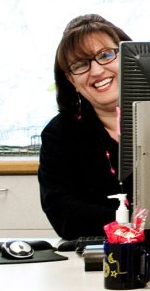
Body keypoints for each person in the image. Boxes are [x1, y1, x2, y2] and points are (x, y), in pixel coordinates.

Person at [38, 13, 133, 240]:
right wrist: (135, 226)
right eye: (81, 64)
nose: (97, 70)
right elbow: (65, 216)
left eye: (106, 55)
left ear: (130, 58)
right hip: (99, 260)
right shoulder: (59, 134)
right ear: (71, 81)